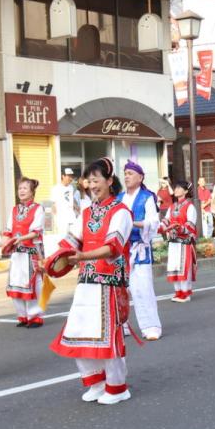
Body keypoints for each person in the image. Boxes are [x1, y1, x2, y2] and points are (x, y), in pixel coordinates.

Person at [49, 158, 135, 405]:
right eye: (89, 180)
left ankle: (118, 387)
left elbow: (113, 246)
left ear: (110, 182)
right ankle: (96, 382)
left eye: (97, 180)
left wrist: (82, 256)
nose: (92, 185)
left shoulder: (121, 212)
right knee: (80, 331)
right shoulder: (87, 212)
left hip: (109, 281)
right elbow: (72, 240)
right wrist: (54, 259)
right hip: (87, 281)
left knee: (107, 336)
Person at [118, 161, 162, 341]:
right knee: (120, 289)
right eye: (125, 173)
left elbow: (153, 221)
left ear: (140, 177)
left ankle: (150, 326)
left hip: (139, 248)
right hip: (121, 249)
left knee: (142, 288)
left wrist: (133, 223)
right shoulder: (119, 197)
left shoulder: (146, 197)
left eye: (130, 173)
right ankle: (123, 325)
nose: (127, 176)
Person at [1, 177, 46, 327]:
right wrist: (1, 244)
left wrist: (18, 239)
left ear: (32, 192)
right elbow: (8, 230)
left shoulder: (38, 208)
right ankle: (22, 315)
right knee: (15, 282)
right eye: (20, 188)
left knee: (33, 284)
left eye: (25, 188)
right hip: (17, 252)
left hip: (31, 252)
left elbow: (35, 232)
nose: (21, 191)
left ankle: (35, 316)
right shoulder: (14, 210)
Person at [159, 179, 198, 302]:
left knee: (183, 266)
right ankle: (178, 292)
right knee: (174, 266)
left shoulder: (190, 206)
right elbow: (166, 220)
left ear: (186, 191)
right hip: (173, 241)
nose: (176, 190)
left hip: (184, 242)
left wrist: (179, 227)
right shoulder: (172, 206)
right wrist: (161, 226)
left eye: (179, 188)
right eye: (175, 187)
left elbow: (191, 225)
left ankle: (185, 293)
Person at [54, 167, 79, 238]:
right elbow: (53, 204)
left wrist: (77, 207)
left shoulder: (71, 187)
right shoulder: (56, 188)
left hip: (71, 216)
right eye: (69, 176)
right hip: (62, 218)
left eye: (71, 176)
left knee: (73, 237)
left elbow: (71, 199)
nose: (71, 178)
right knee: (63, 237)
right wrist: (56, 218)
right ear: (63, 176)